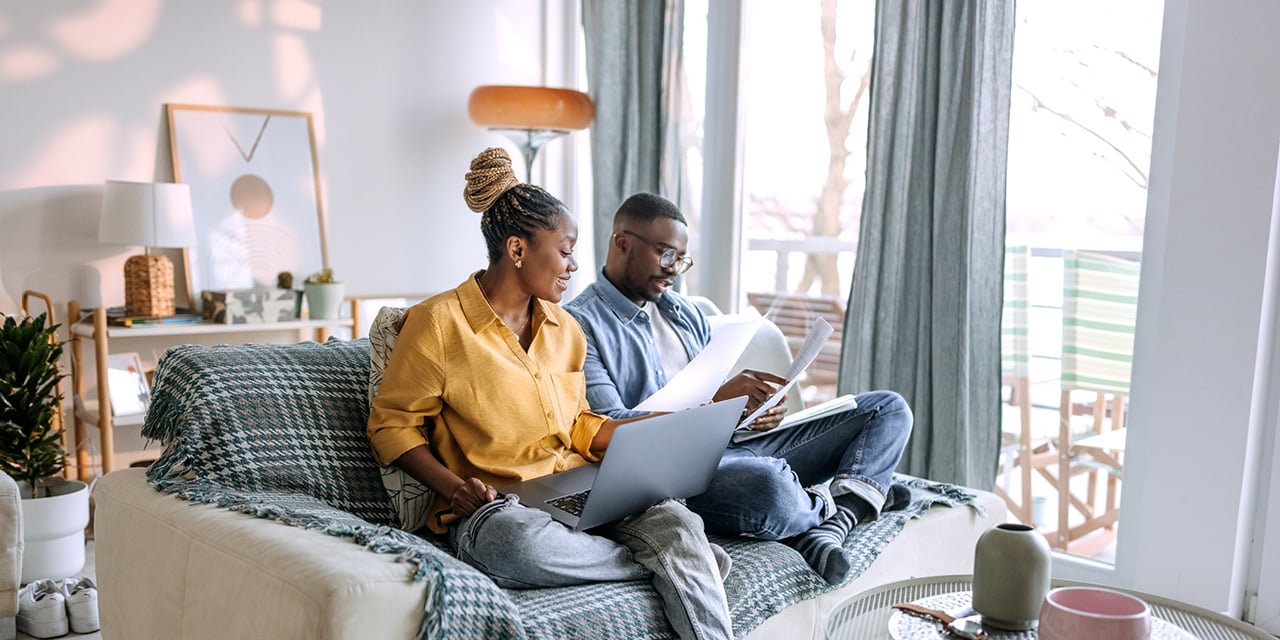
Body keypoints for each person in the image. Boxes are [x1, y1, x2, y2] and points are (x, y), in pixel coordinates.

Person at [366, 150, 734, 640]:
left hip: (578, 488)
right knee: (515, 545)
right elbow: (392, 426)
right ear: (517, 250)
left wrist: (652, 435)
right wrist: (455, 488)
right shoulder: (438, 323)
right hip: (500, 507)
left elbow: (578, 422)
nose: (575, 265)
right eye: (565, 250)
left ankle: (680, 555)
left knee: (674, 517)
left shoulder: (566, 328)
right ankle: (682, 564)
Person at [563, 192, 913, 585]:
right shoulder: (577, 325)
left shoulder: (686, 312)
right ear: (622, 242)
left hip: (734, 449)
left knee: (887, 408)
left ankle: (830, 522)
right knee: (769, 485)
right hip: (672, 477)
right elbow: (609, 429)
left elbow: (715, 406)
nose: (674, 270)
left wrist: (750, 414)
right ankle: (852, 499)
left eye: (682, 259)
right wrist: (715, 405)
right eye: (665, 255)